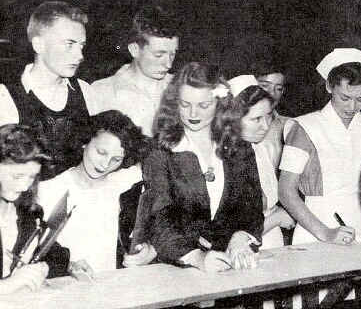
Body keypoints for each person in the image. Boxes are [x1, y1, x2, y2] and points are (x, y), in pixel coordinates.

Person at [131, 62, 264, 272]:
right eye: (185, 104)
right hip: (176, 265)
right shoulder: (159, 151)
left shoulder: (239, 148)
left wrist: (240, 237)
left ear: (220, 104)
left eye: (204, 105)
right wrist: (198, 258)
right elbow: (160, 219)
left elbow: (252, 208)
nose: (193, 113)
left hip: (226, 264)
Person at [278, 48, 361, 246]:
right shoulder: (304, 127)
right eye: (345, 98)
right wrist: (325, 233)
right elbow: (286, 191)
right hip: (317, 230)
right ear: (329, 86)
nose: (352, 107)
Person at [37, 110, 151, 274]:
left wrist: (151, 247)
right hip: (66, 289)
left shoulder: (122, 182)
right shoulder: (48, 190)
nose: (105, 164)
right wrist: (67, 266)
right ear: (85, 141)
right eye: (101, 152)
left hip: (111, 288)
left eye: (116, 159)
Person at [0, 1, 95, 180]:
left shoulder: (85, 91)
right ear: (39, 45)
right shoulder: (5, 98)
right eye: (69, 44)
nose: (80, 55)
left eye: (81, 46)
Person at [224, 75, 295, 250]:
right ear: (232, 119)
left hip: (271, 242)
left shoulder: (257, 149)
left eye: (268, 116)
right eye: (256, 119)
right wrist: (276, 219)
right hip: (243, 250)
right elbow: (226, 232)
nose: (265, 126)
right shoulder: (225, 159)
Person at [0, 124, 69, 294]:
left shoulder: (28, 212)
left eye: (32, 176)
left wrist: (43, 268)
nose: (24, 186)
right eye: (17, 176)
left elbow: (56, 255)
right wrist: (6, 286)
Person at [91, 5, 179, 136]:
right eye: (159, 55)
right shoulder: (103, 92)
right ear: (134, 50)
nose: (168, 64)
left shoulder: (181, 86)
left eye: (173, 54)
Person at [253, 62, 288, 168]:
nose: (271, 93)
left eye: (278, 88)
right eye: (264, 86)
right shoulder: (231, 122)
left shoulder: (288, 125)